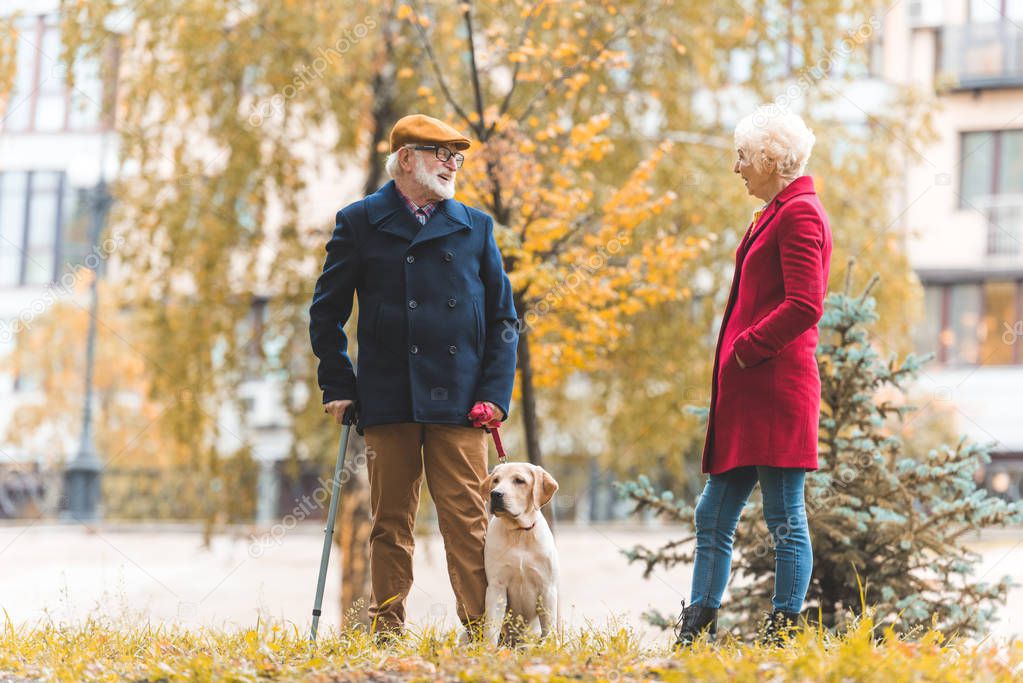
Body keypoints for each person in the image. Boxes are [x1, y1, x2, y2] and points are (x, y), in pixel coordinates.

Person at [309, 113, 519, 642]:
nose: (453, 165)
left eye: (458, 157)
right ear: (406, 159)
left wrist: (494, 394)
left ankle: (482, 632)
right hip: (388, 397)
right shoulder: (359, 221)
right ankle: (386, 633)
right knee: (389, 523)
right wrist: (338, 385)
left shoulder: (476, 226)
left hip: (463, 402)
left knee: (468, 522)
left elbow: (503, 320)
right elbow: (325, 312)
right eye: (441, 154)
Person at [674, 106, 833, 648]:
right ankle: (695, 632)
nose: (737, 168)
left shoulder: (800, 213)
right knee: (712, 513)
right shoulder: (775, 210)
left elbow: (806, 304)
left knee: (784, 516)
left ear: (769, 158)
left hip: (776, 390)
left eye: (743, 156)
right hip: (749, 395)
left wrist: (746, 348)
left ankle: (782, 635)